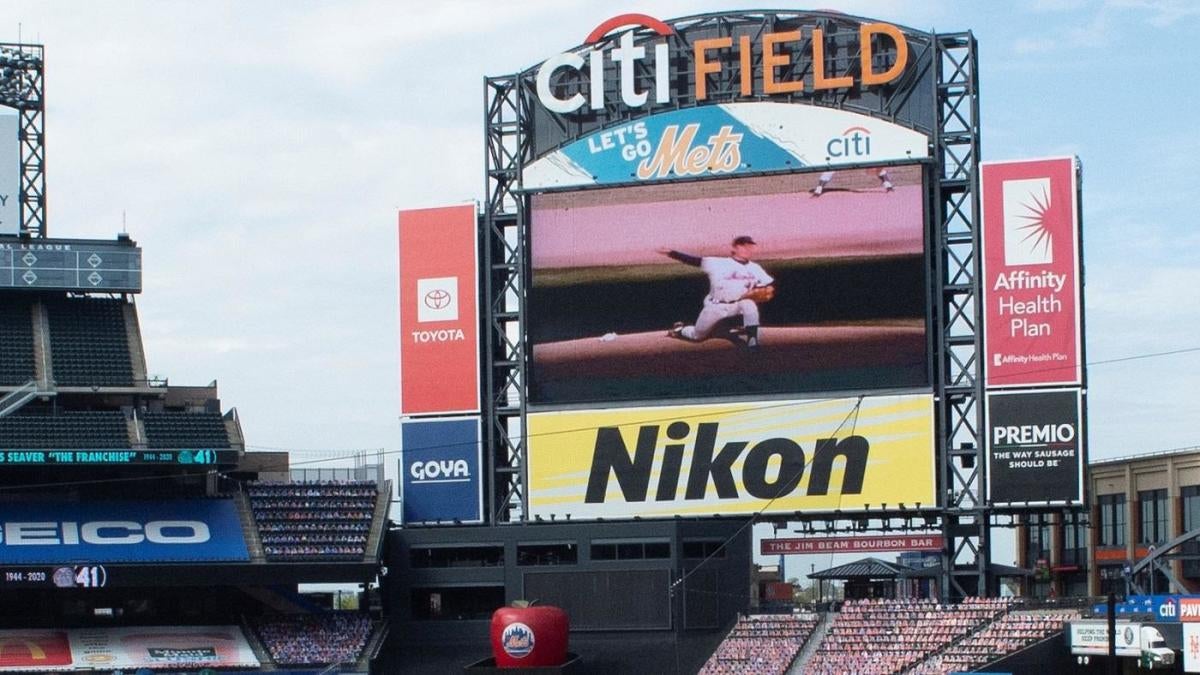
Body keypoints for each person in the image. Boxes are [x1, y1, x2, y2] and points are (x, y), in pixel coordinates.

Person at [657, 235, 774, 350]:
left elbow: (768, 285)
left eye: (750, 247)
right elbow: (694, 261)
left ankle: (752, 340)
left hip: (737, 305)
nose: (747, 249)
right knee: (697, 336)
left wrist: (768, 290)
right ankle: (680, 329)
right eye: (743, 246)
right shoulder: (717, 263)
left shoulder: (755, 268)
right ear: (734, 248)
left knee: (749, 304)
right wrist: (671, 253)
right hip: (716, 306)